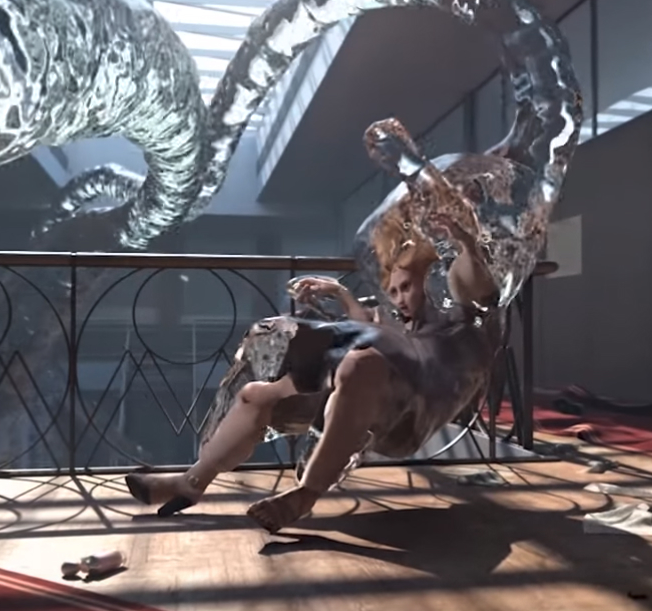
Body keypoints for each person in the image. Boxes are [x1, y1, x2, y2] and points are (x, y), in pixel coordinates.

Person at [125, 138, 502, 535]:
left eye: (407, 287)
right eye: (393, 291)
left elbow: (473, 285)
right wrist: (338, 294)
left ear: (430, 281)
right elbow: (370, 330)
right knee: (257, 394)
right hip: (369, 398)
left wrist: (466, 242)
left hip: (410, 415)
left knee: (361, 363)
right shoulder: (397, 325)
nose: (400, 298)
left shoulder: (452, 318)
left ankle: (306, 493)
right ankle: (191, 481)